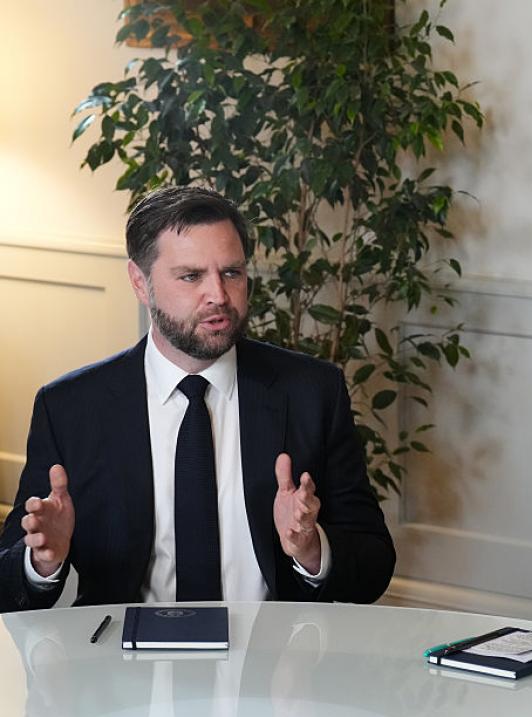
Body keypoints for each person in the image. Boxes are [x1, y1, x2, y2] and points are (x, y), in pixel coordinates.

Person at [0, 186, 395, 610]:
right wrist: (41, 561)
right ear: (140, 282)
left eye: (232, 273)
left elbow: (373, 564)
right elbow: (7, 586)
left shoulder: (312, 392)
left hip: (273, 647)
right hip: (123, 650)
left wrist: (311, 548)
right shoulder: (71, 408)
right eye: (191, 276)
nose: (219, 296)